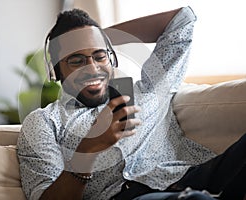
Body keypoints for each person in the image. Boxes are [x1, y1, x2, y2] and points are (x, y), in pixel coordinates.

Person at [17, 6, 246, 200]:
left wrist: (98, 35)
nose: (93, 68)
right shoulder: (44, 122)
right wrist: (87, 149)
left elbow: (182, 20)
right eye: (76, 60)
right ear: (55, 71)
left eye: (99, 56)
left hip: (193, 175)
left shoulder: (149, 89)